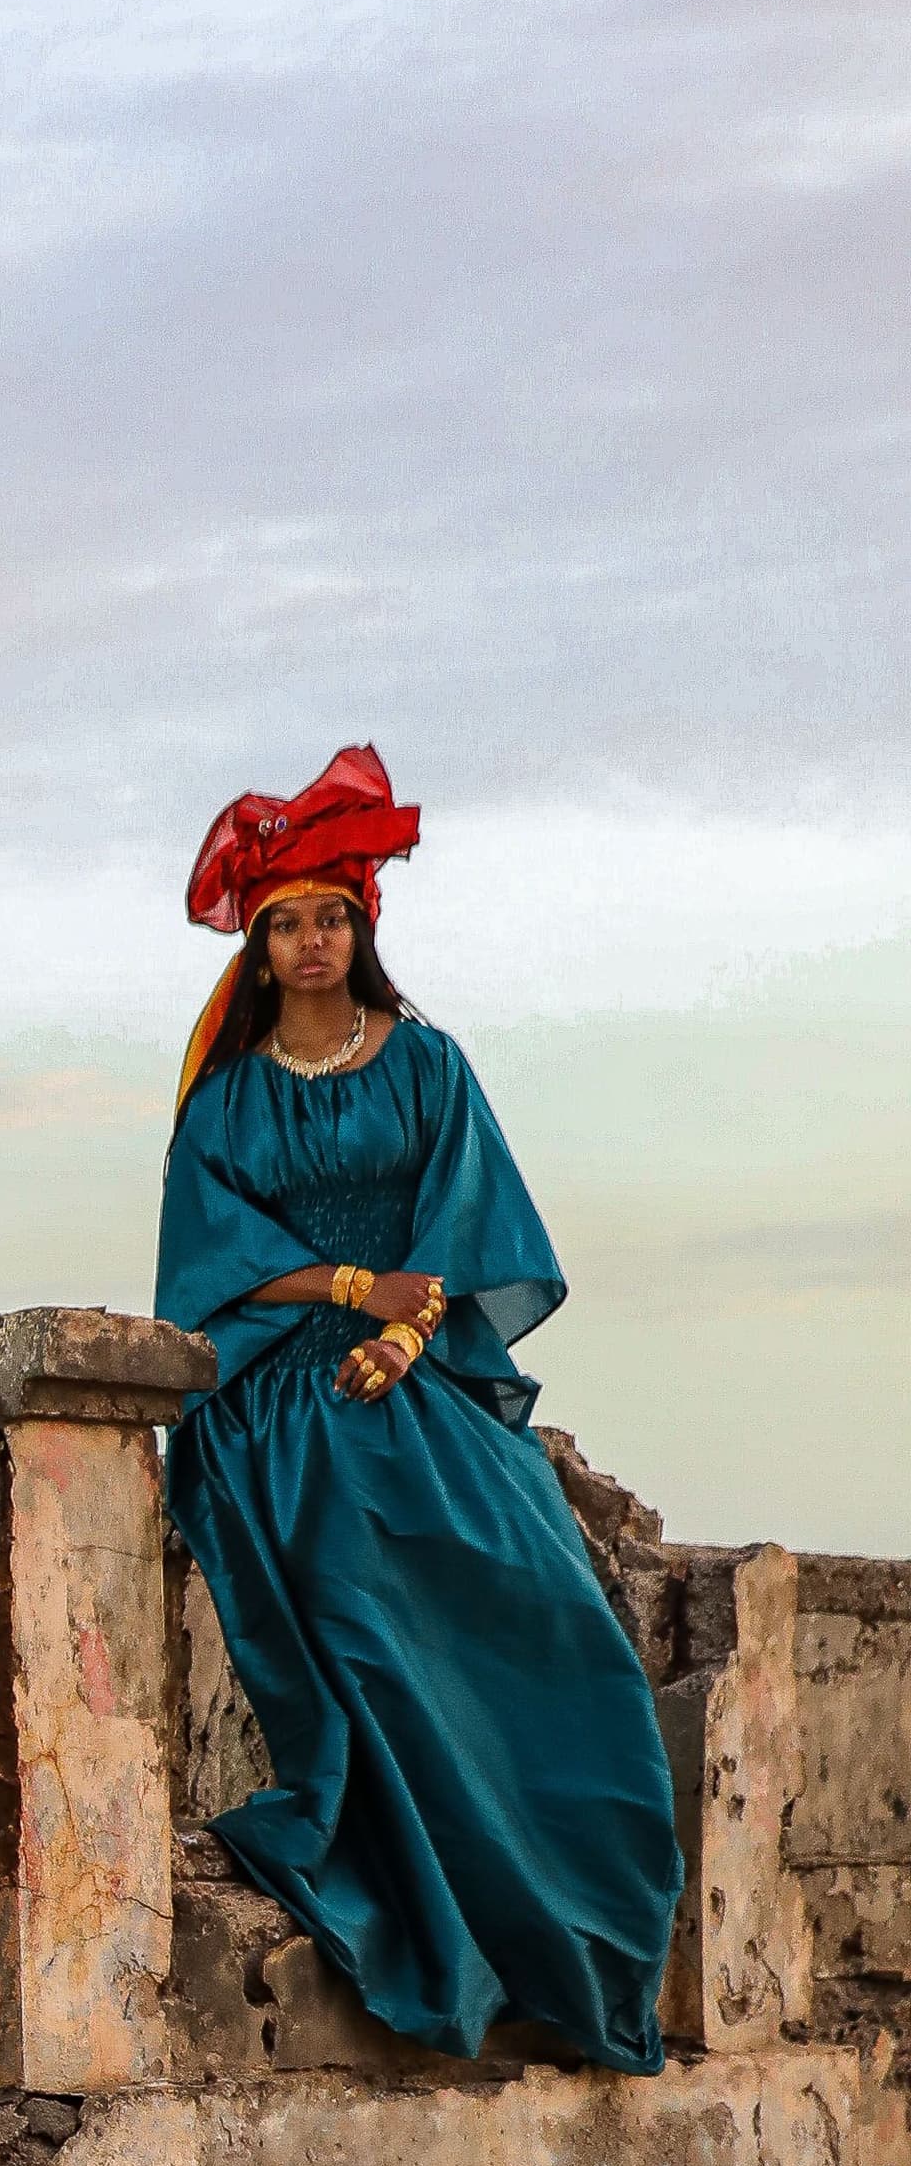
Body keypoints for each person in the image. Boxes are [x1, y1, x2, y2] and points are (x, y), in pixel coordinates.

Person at [154, 745, 680, 2073]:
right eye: (288, 923)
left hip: (418, 1369)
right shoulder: (225, 1100)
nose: (313, 940)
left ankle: (576, 1945)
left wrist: (408, 1324)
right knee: (357, 1600)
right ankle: (429, 1914)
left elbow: (469, 1219)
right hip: (280, 1392)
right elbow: (208, 1258)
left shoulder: (428, 1064)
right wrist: (346, 1290)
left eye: (332, 915)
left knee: (544, 1601)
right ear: (260, 947)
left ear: (361, 926)